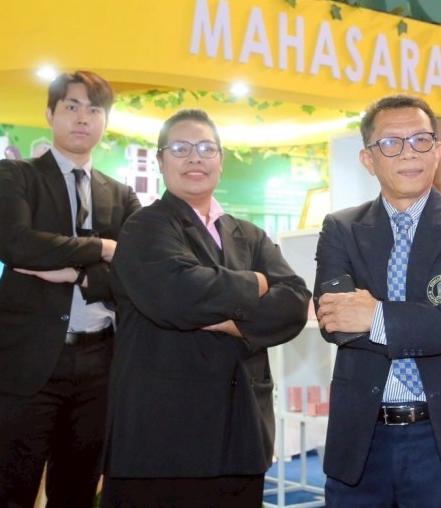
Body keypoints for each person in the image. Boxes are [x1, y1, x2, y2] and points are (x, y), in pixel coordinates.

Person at [314, 93, 441, 507]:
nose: (409, 152)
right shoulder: (341, 228)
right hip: (363, 439)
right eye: (391, 142)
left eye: (421, 140)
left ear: (437, 151)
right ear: (368, 159)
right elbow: (336, 322)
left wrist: (376, 316)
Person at [102, 108, 310, 508]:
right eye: (180, 148)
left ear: (221, 159)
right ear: (160, 160)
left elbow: (295, 303)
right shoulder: (145, 226)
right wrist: (257, 283)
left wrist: (234, 323)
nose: (194, 158)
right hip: (162, 440)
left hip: (241, 434)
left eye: (205, 148)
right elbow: (179, 295)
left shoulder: (249, 235)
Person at [0, 70, 141, 507]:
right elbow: (16, 244)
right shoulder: (15, 175)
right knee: (7, 493)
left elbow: (138, 271)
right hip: (25, 361)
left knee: (78, 493)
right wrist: (102, 247)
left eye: (94, 110)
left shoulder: (122, 196)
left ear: (105, 121)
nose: (83, 118)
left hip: (100, 364)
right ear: (50, 114)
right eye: (71, 107)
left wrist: (79, 274)